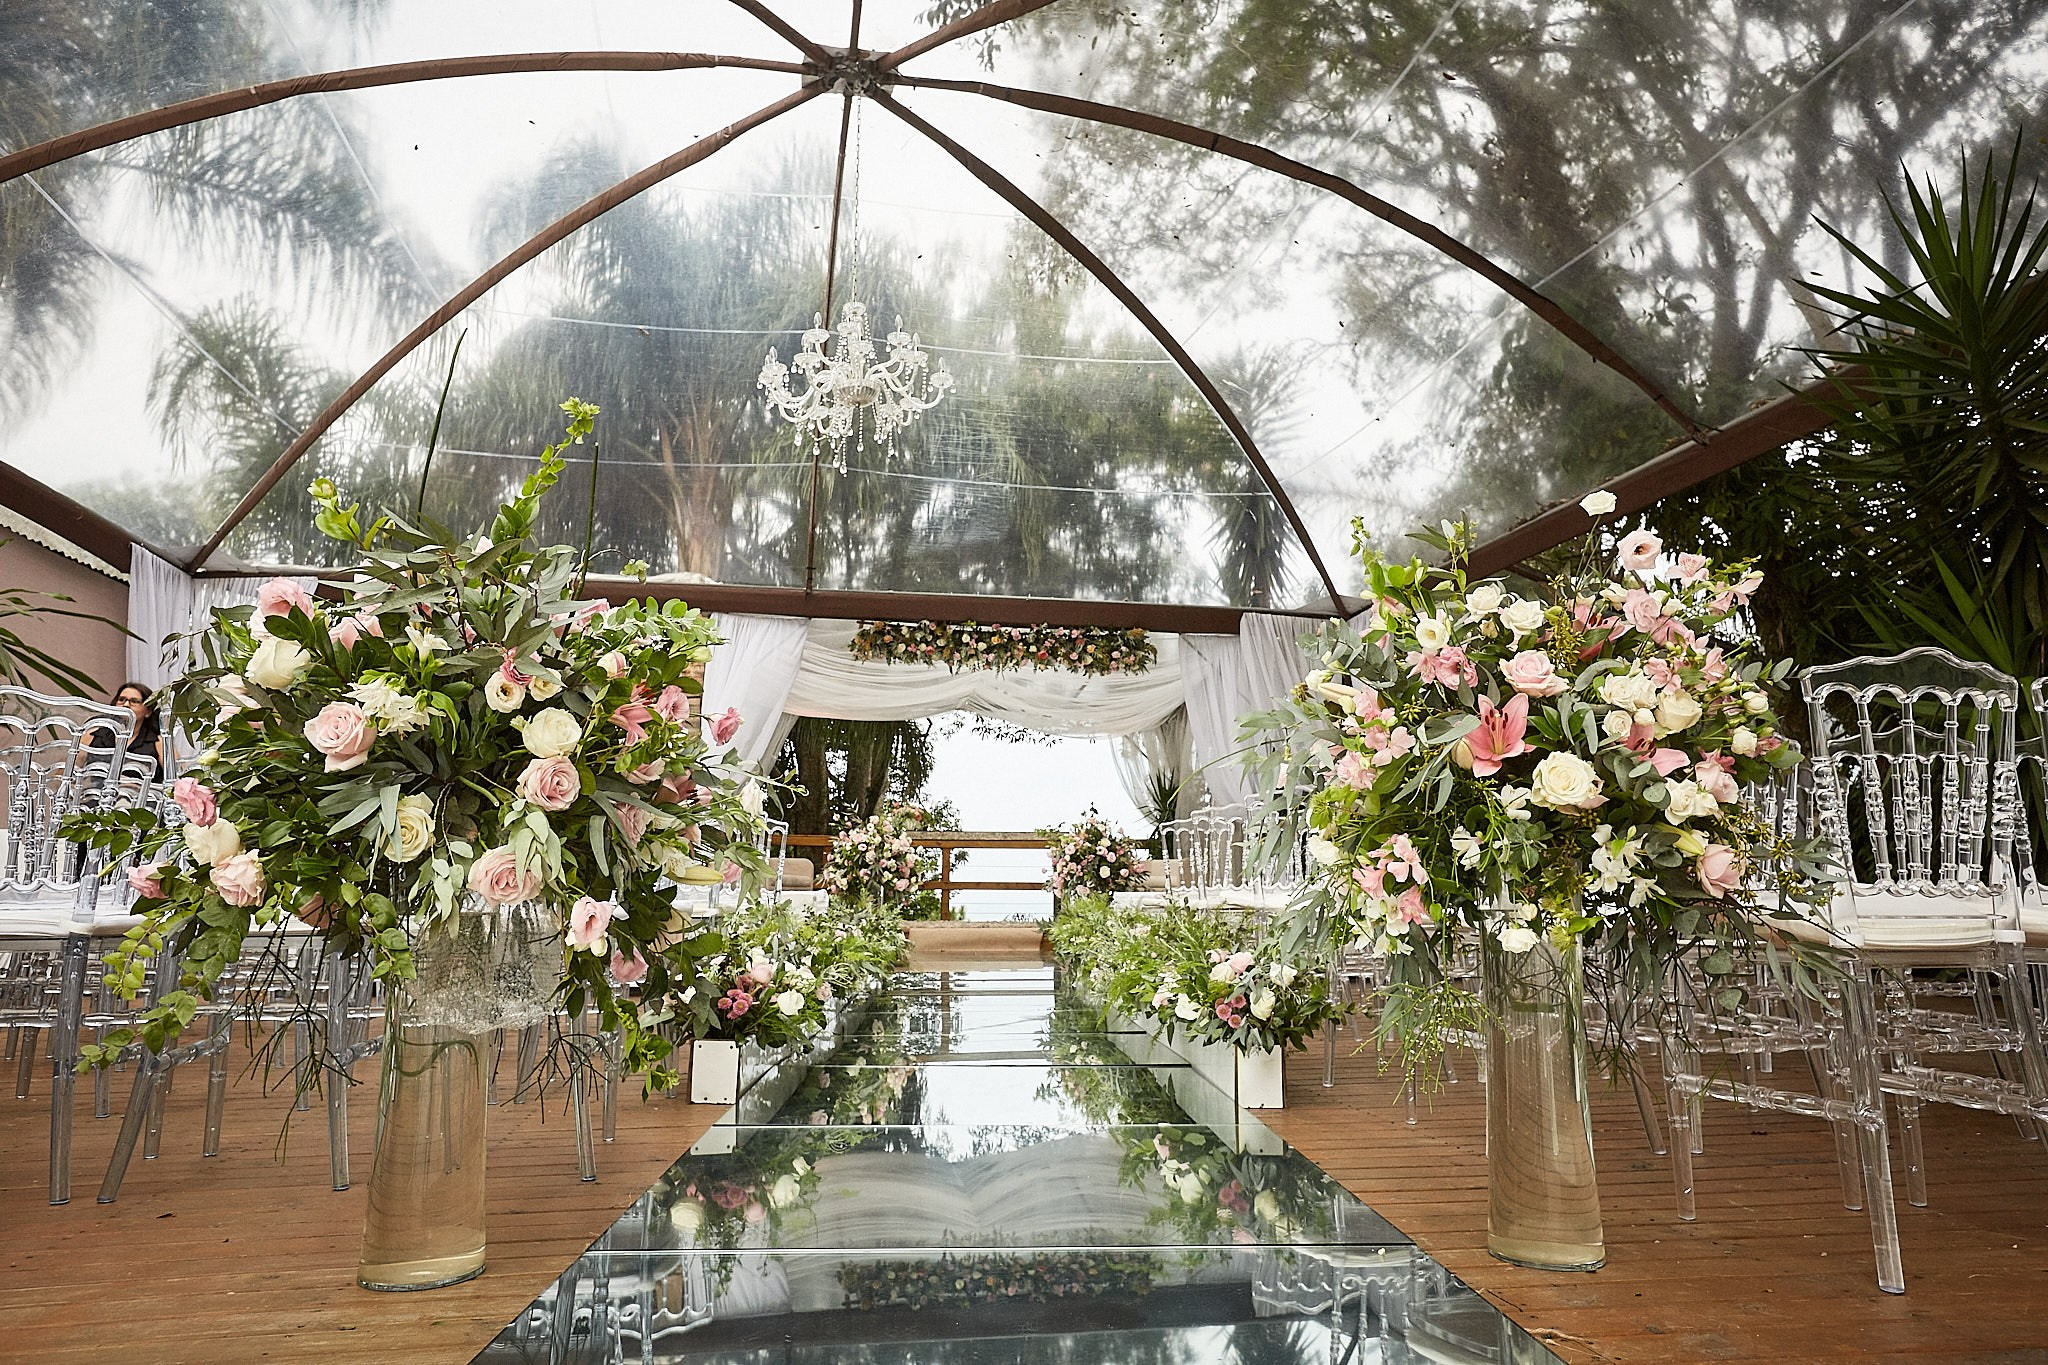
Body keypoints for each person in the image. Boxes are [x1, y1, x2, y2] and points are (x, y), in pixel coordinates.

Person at [87, 681, 163, 777]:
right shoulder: (91, 735)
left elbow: (176, 777)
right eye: (121, 700)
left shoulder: (159, 744)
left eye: (134, 701)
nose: (126, 704)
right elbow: (72, 772)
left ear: (148, 711)